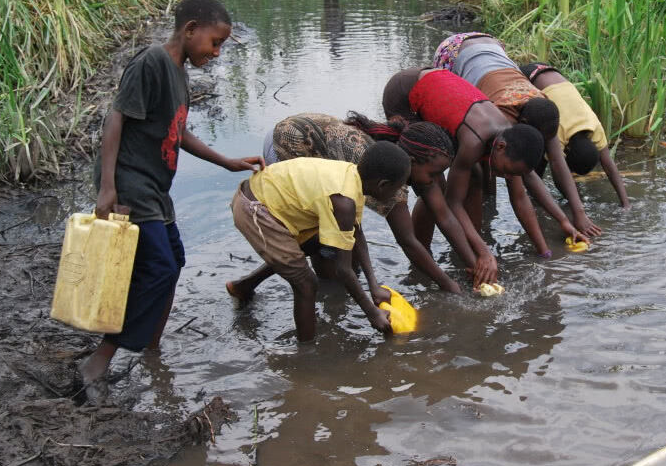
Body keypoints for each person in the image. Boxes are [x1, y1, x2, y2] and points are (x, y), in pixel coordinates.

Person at [81, 0, 264, 397]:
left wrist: (227, 162)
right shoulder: (152, 62)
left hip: (155, 187)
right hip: (131, 183)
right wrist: (108, 186)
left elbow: (178, 133)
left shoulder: (178, 74)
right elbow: (116, 119)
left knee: (175, 260)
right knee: (160, 267)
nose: (216, 53)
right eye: (214, 43)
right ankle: (101, 358)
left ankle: (152, 348)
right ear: (190, 29)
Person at [382, 68, 591, 286]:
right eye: (507, 171)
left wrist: (545, 252)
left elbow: (520, 199)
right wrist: (485, 252)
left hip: (443, 96)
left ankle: (470, 255)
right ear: (500, 147)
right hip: (405, 94)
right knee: (432, 186)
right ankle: (421, 266)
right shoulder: (474, 142)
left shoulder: (506, 142)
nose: (507, 177)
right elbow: (453, 203)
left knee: (474, 178)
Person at [254, 112, 462, 293]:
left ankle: (247, 284)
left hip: (301, 139)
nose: (436, 181)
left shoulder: (386, 161)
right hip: (287, 143)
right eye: (434, 174)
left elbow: (357, 230)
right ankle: (327, 298)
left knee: (342, 251)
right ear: (412, 163)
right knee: (322, 244)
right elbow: (408, 241)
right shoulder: (389, 179)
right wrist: (448, 284)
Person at [226, 143, 409, 341]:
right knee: (306, 283)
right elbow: (343, 269)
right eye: (398, 188)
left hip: (261, 197)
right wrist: (372, 313)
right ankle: (307, 355)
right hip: (255, 211)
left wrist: (374, 286)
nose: (398, 193)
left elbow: (356, 234)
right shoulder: (343, 200)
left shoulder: (351, 177)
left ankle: (242, 287)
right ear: (383, 185)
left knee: (315, 245)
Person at [433, 33, 602, 238]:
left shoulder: (543, 111)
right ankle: (485, 205)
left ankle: (487, 202)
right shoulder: (501, 115)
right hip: (454, 52)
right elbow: (518, 187)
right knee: (478, 164)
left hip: (492, 46)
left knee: (498, 161)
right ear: (522, 124)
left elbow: (558, 161)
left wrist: (578, 214)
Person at [520, 62, 630, 208]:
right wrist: (576, 202)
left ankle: (533, 192)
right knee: (540, 151)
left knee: (543, 147)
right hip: (528, 78)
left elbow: (609, 166)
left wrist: (625, 203)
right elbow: (558, 174)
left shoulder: (595, 128)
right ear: (568, 151)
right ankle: (532, 193)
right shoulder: (559, 131)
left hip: (550, 71)